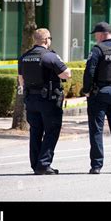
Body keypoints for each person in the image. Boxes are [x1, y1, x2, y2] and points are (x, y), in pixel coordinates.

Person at [18, 28, 71, 175]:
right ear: (47, 40)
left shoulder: (24, 57)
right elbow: (66, 74)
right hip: (48, 101)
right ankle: (44, 164)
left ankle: (36, 164)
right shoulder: (49, 56)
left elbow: (21, 80)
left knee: (35, 131)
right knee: (51, 131)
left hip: (31, 100)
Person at [83, 22, 111, 175]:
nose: (95, 38)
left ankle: (96, 166)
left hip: (99, 93)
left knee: (96, 130)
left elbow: (90, 71)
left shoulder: (97, 50)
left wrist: (86, 90)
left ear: (102, 34)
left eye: (96, 35)